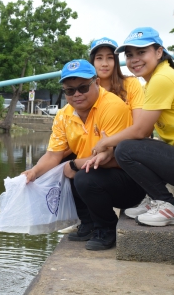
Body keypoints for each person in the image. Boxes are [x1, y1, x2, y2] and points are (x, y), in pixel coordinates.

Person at [85, 27, 174, 227]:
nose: (135, 60)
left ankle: (169, 205)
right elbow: (145, 133)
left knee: (126, 148)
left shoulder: (162, 79)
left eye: (142, 52)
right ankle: (157, 199)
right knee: (134, 146)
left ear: (159, 52)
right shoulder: (155, 80)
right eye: (130, 55)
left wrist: (106, 142)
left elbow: (140, 130)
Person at [22, 59, 146, 250]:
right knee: (61, 164)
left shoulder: (112, 106)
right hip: (95, 171)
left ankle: (106, 228)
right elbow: (53, 155)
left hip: (128, 182)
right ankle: (88, 223)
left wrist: (75, 165)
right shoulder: (64, 115)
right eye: (70, 91)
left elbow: (116, 158)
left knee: (82, 176)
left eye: (82, 88)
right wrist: (34, 172)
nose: (77, 94)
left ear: (96, 83)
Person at [89, 37, 145, 123]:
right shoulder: (85, 89)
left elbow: (140, 125)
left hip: (129, 136)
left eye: (110, 58)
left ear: (116, 61)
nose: (104, 64)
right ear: (92, 61)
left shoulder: (131, 83)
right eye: (99, 58)